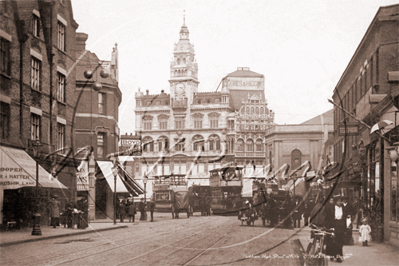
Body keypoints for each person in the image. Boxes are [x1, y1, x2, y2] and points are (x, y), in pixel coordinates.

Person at [323, 195, 347, 263]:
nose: (340, 202)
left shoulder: (343, 208)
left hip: (341, 225)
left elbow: (344, 218)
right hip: (334, 225)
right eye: (338, 201)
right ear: (336, 202)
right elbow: (328, 218)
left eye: (341, 201)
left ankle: (338, 255)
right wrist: (329, 227)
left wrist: (345, 228)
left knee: (340, 241)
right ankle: (334, 255)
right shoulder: (331, 208)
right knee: (333, 241)